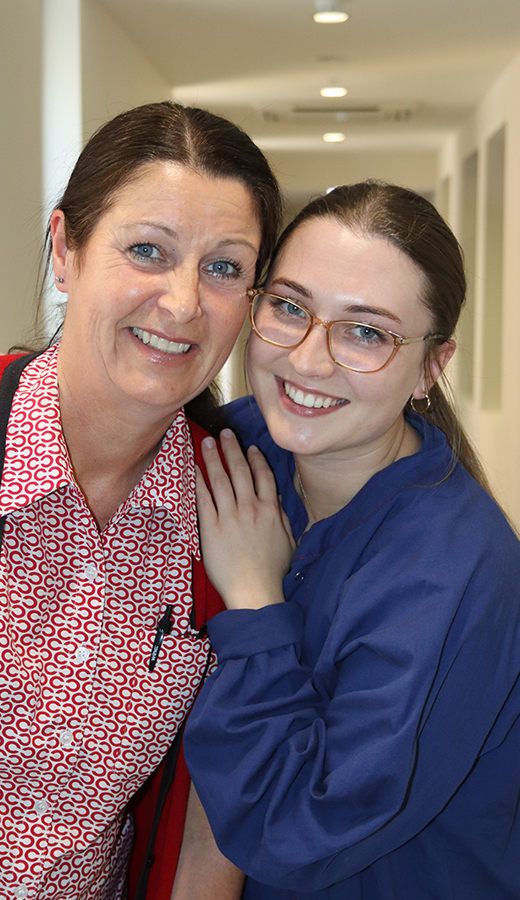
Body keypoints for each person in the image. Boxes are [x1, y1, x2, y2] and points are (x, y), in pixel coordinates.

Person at [0, 100, 282, 900]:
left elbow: (207, 825)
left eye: (224, 267)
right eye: (148, 250)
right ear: (65, 249)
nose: (184, 303)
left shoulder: (229, 513)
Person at [184, 182, 520, 899]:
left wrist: (252, 600)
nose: (307, 360)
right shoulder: (244, 448)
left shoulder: (455, 571)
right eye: (289, 307)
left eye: (366, 332)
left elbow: (298, 831)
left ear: (432, 364)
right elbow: (106, 446)